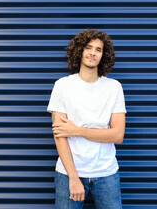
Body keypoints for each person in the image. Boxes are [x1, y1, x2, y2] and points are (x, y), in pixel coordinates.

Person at [47, 29, 127, 209]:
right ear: (80, 51)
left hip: (107, 173)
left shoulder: (113, 87)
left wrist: (76, 130)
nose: (92, 53)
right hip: (68, 173)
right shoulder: (62, 86)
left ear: (103, 55)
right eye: (88, 47)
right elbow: (60, 135)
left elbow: (117, 135)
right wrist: (74, 178)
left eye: (98, 49)